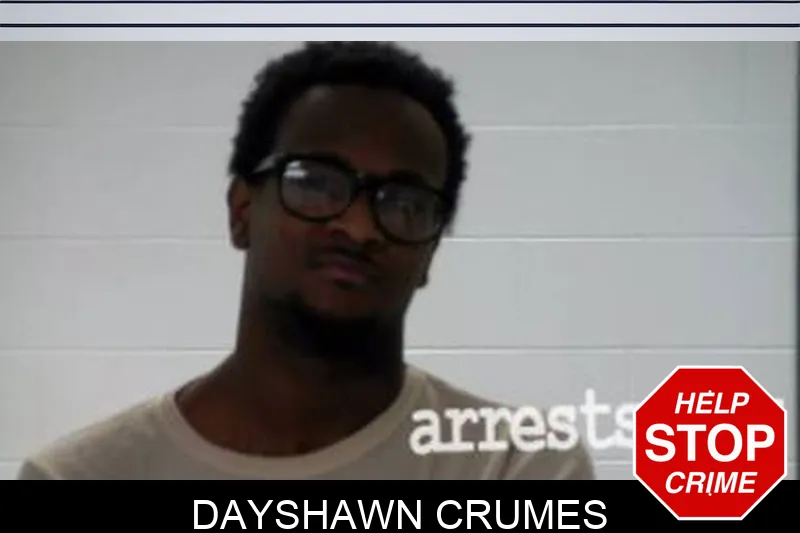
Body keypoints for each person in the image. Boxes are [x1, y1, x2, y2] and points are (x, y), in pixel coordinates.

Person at [17, 42, 594, 480]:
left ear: (431, 251)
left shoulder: (516, 465)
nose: (359, 227)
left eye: (404, 202)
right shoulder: (81, 476)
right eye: (315, 183)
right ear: (242, 210)